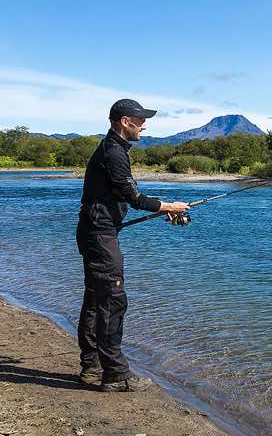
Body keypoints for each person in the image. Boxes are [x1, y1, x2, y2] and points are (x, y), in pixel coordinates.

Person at [76, 99, 189, 392]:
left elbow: (121, 196)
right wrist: (168, 206)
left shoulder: (112, 149)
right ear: (125, 121)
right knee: (113, 300)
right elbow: (133, 197)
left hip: (96, 231)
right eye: (140, 120)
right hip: (100, 236)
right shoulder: (114, 152)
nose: (144, 125)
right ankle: (115, 375)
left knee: (95, 300)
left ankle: (91, 366)